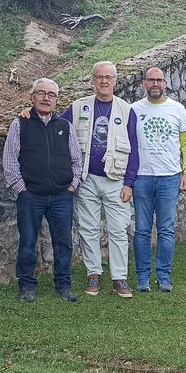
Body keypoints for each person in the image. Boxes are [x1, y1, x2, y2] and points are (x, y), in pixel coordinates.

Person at [1, 78, 82, 303]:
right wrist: (22, 189)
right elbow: (10, 160)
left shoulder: (65, 127)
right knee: (28, 241)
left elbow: (77, 159)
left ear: (56, 100)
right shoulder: (20, 124)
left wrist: (72, 186)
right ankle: (27, 286)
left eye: (51, 95)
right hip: (31, 196)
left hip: (61, 196)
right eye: (41, 93)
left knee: (63, 242)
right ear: (32, 97)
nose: (46, 98)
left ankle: (64, 286)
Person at [64, 62, 139, 298]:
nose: (104, 81)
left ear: (115, 81)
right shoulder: (78, 108)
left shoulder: (126, 110)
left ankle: (119, 278)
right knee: (88, 228)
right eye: (99, 77)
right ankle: (93, 274)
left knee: (118, 229)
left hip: (116, 180)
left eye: (108, 77)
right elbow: (54, 126)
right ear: (93, 80)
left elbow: (136, 150)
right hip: (86, 179)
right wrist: (30, 114)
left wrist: (129, 183)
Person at [131, 66, 186, 293]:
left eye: (159, 80)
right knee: (142, 230)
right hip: (142, 178)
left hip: (169, 177)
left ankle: (164, 277)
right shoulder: (134, 110)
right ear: (144, 83)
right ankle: (142, 278)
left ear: (165, 83)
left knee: (166, 229)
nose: (155, 84)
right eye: (151, 80)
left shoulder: (177, 109)